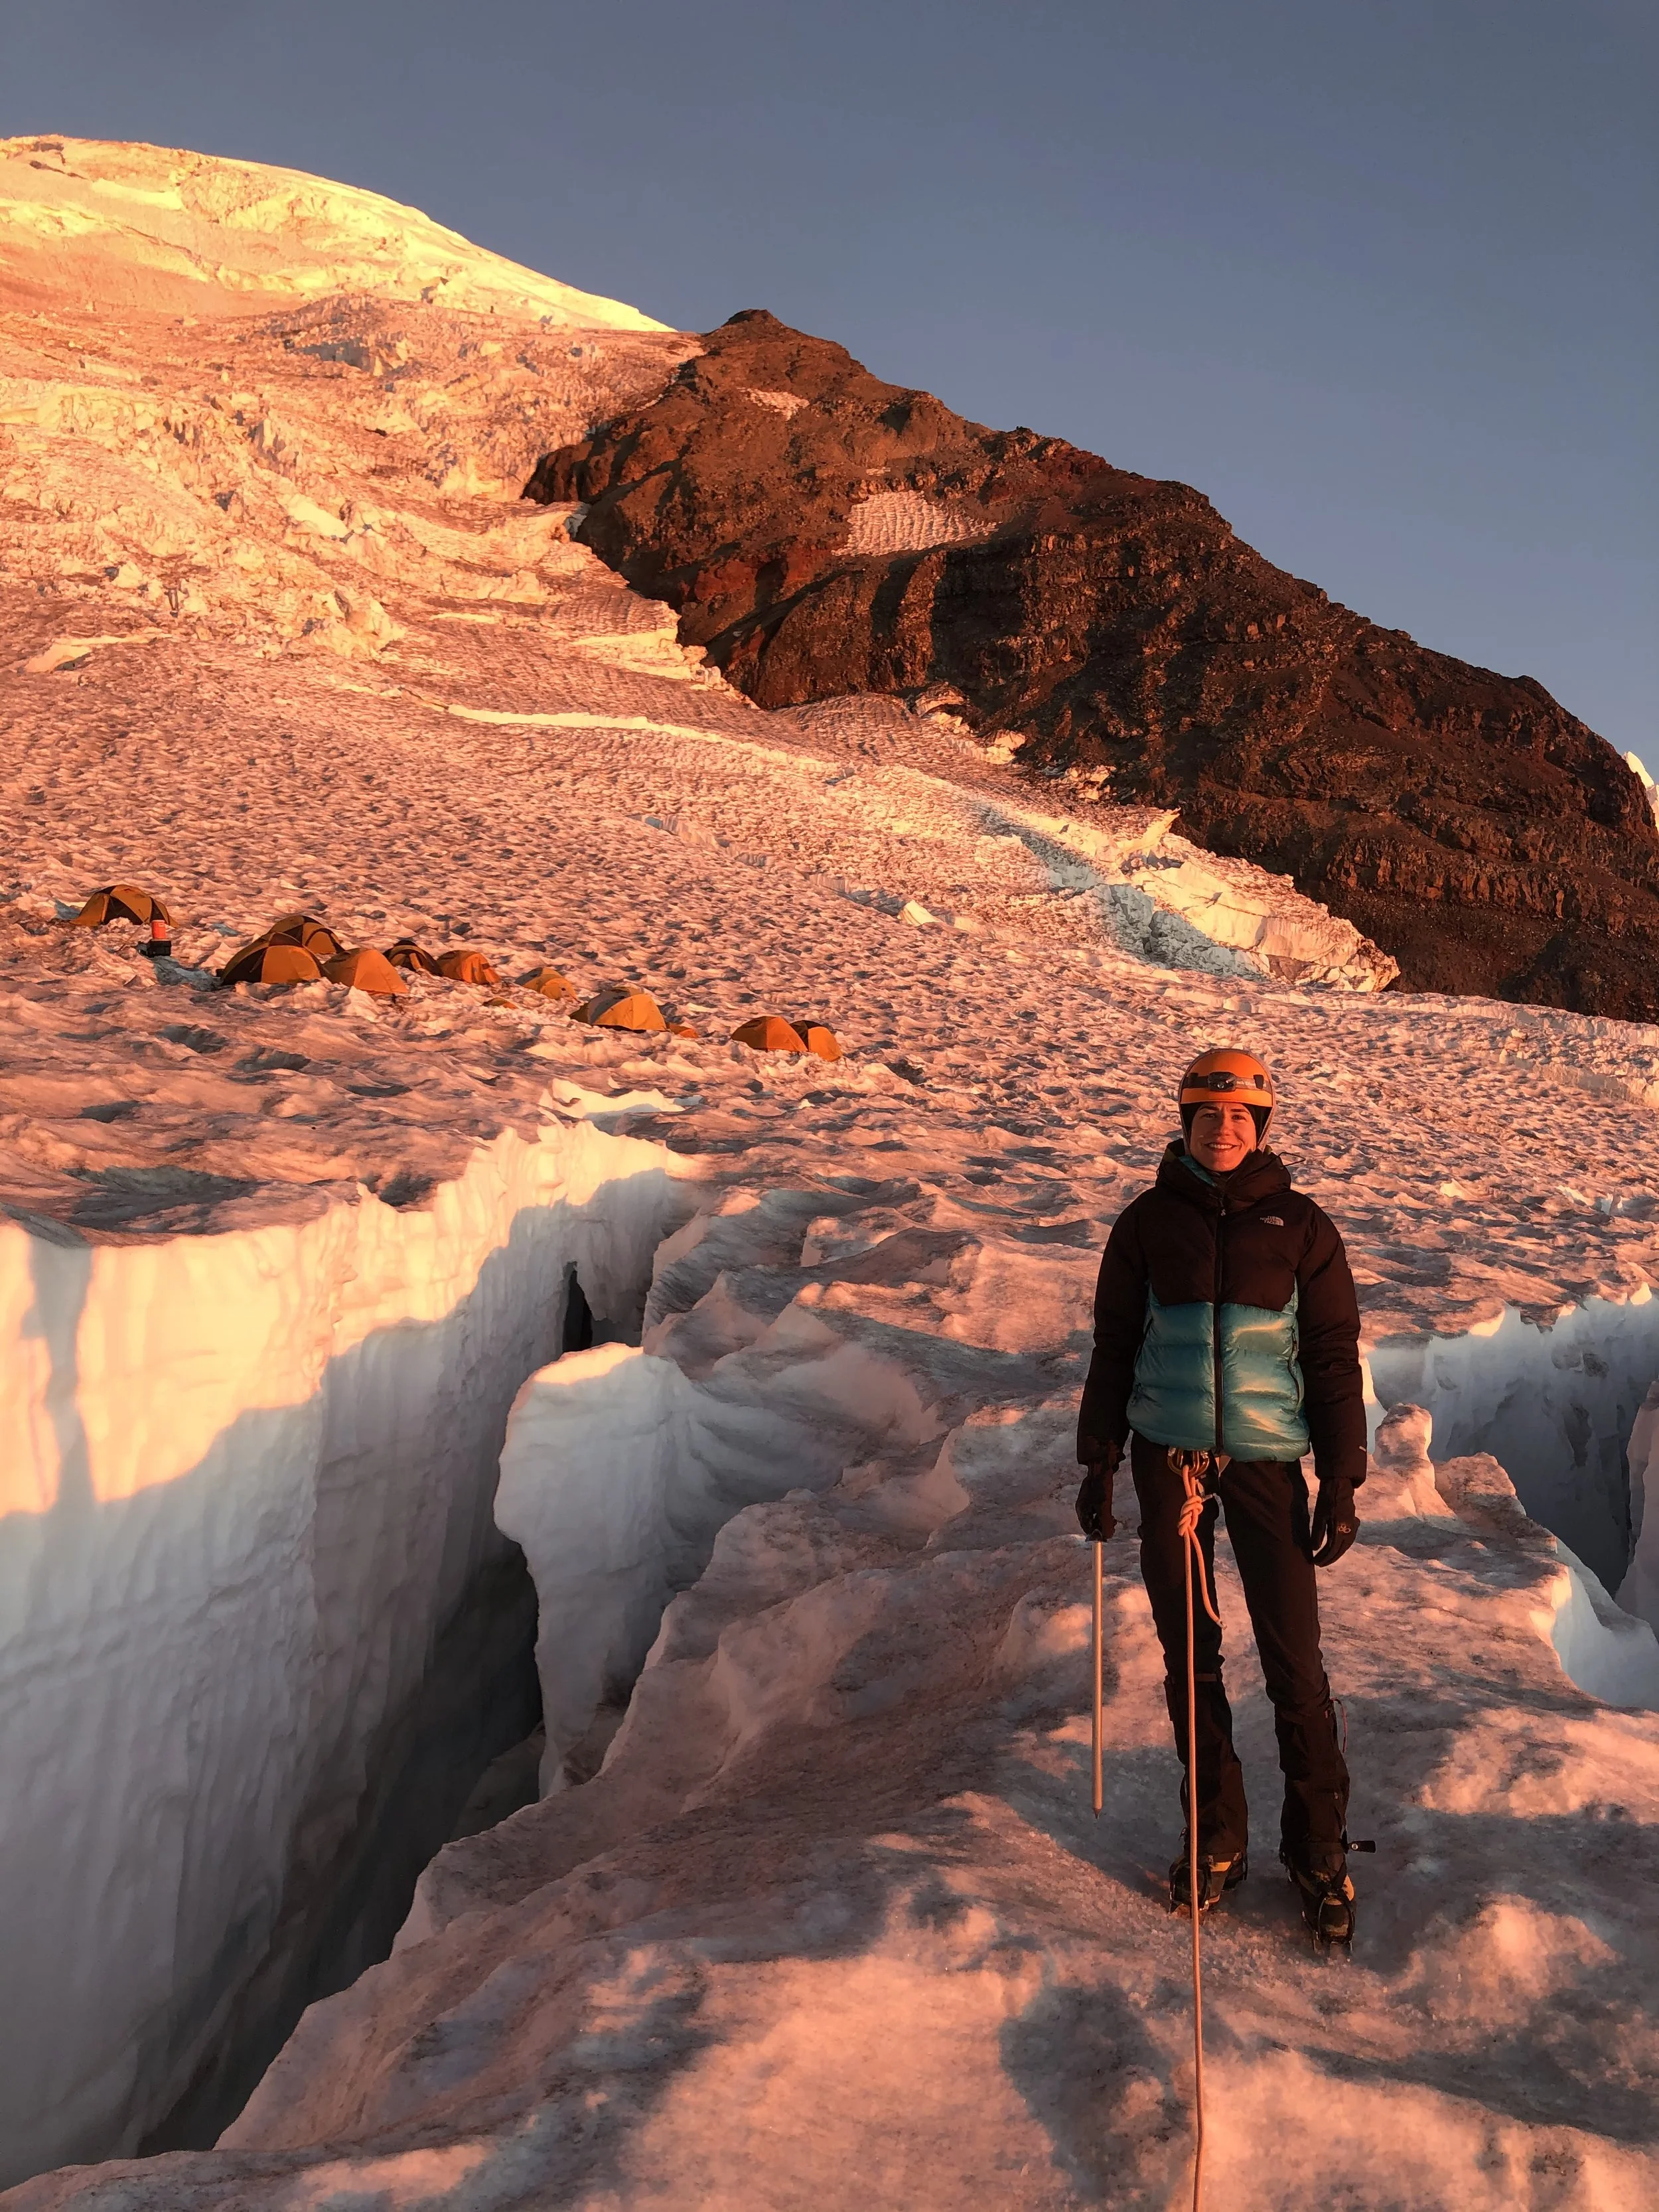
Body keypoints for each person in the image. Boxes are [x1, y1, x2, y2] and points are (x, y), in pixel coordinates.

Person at [1074, 1048, 1366, 1944]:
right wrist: (1100, 1459)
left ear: (1263, 1126)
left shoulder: (1303, 1228)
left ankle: (1318, 1848)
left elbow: (1329, 1357)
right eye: (1210, 1118)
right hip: (1174, 1468)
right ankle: (1217, 1839)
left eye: (1242, 1118)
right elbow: (1116, 1343)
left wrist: (1342, 1477)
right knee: (1190, 1660)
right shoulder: (1146, 1224)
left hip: (1269, 1468)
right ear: (1186, 1125)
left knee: (1296, 1666)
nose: (1227, 1130)